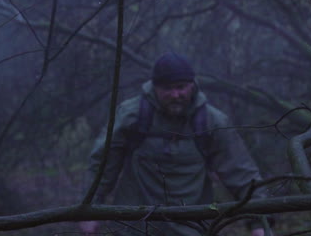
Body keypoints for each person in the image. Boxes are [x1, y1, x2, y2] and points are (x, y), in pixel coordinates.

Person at [80, 53, 270, 236]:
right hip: (134, 226)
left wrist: (260, 222)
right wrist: (89, 210)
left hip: (192, 226)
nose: (175, 94)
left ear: (193, 85)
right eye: (167, 89)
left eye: (181, 87)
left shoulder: (212, 122)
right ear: (154, 87)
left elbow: (241, 173)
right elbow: (102, 166)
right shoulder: (131, 115)